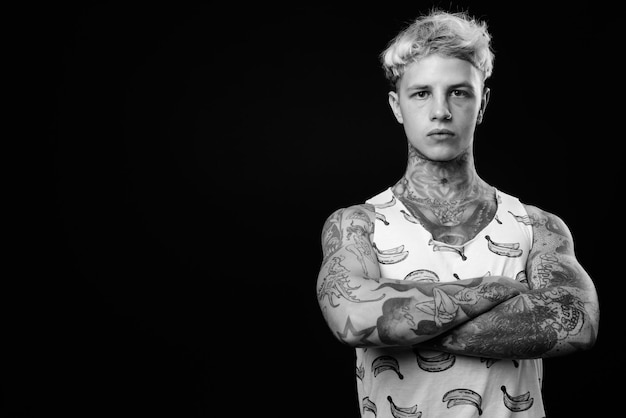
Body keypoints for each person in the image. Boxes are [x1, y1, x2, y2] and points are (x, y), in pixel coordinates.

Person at [316, 9, 600, 418]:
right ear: (397, 106)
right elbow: (352, 318)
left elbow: (577, 324)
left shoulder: (538, 226)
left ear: (482, 102)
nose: (441, 111)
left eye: (459, 92)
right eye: (421, 93)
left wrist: (399, 325)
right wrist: (495, 289)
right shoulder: (357, 224)